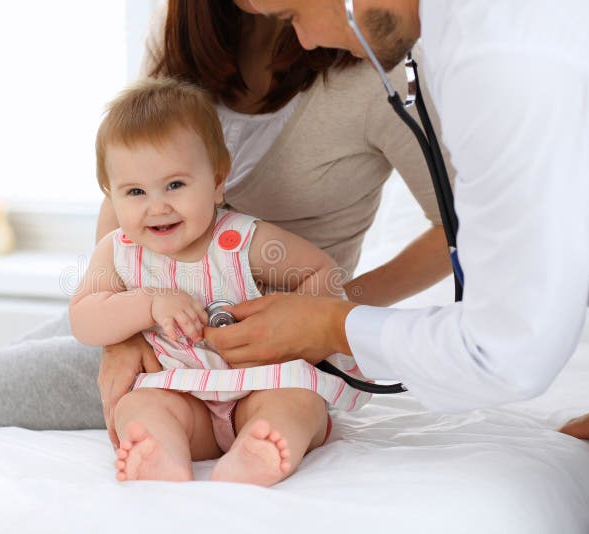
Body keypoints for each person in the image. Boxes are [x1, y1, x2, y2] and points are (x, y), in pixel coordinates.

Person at [199, 0, 589, 464]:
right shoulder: (459, 40)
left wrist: (330, 323)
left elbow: (505, 352)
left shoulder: (506, 60)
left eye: (293, 16)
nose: (306, 41)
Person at [95, 0, 454, 449]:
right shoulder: (182, 29)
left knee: (286, 410)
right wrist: (121, 334)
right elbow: (126, 178)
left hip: (269, 360)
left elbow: (460, 231)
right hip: (151, 335)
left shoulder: (375, 62)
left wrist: (332, 316)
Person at [72, 78, 368, 486]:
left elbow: (322, 272)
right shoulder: (118, 250)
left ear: (216, 182)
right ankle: (162, 452)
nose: (157, 206)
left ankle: (263, 445)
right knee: (138, 406)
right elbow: (84, 319)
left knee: (299, 400)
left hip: (260, 382)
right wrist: (148, 302)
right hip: (180, 390)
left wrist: (293, 324)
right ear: (111, 194)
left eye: (175, 185)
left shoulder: (242, 240)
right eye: (135, 191)